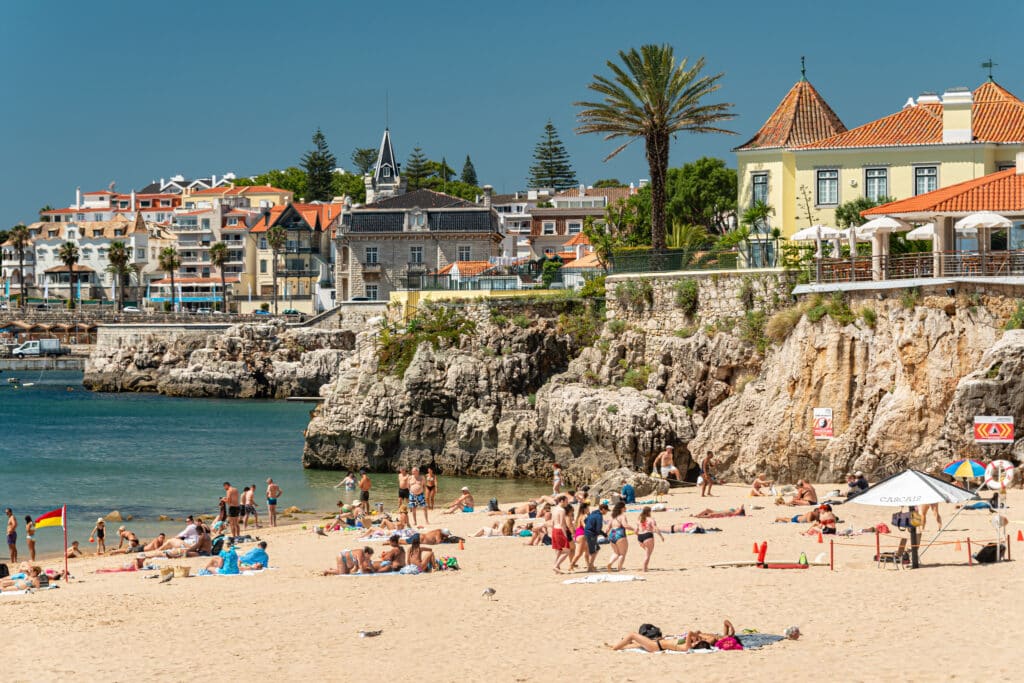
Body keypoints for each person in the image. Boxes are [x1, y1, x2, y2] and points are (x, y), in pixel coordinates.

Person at [636, 506, 666, 572]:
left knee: (647, 553)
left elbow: (636, 531)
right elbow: (655, 528)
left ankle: (645, 567)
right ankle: (644, 568)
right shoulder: (651, 519)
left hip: (640, 537)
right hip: (648, 536)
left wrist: (639, 536)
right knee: (648, 554)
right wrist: (661, 536)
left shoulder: (639, 520)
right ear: (649, 512)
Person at [605, 502, 632, 572]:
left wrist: (605, 535)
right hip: (620, 533)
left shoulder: (611, 516)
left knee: (616, 553)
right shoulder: (622, 516)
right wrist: (634, 529)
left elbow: (607, 528)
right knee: (622, 554)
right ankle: (619, 569)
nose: (625, 508)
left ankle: (610, 563)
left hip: (612, 534)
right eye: (624, 507)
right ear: (621, 508)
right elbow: (625, 525)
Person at [550, 495, 572, 574]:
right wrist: (565, 534)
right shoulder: (562, 510)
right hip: (560, 530)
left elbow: (552, 522)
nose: (567, 503)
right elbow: (562, 523)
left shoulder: (554, 509)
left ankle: (556, 568)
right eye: (566, 501)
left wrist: (552, 531)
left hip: (554, 530)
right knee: (567, 551)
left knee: (558, 550)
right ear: (562, 501)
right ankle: (556, 566)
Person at [583, 503, 607, 571]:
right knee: (593, 551)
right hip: (591, 534)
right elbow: (598, 529)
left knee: (596, 548)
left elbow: (585, 520)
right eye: (606, 510)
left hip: (587, 532)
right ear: (602, 509)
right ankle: (590, 567)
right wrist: (604, 535)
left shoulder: (593, 513)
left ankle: (591, 565)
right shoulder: (599, 516)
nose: (606, 512)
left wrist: (589, 525)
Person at [568, 502, 591, 571]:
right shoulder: (583, 516)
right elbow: (585, 526)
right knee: (579, 553)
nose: (589, 509)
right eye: (588, 508)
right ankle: (571, 565)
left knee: (587, 552)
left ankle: (589, 566)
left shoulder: (579, 516)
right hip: (582, 535)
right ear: (584, 509)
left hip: (579, 534)